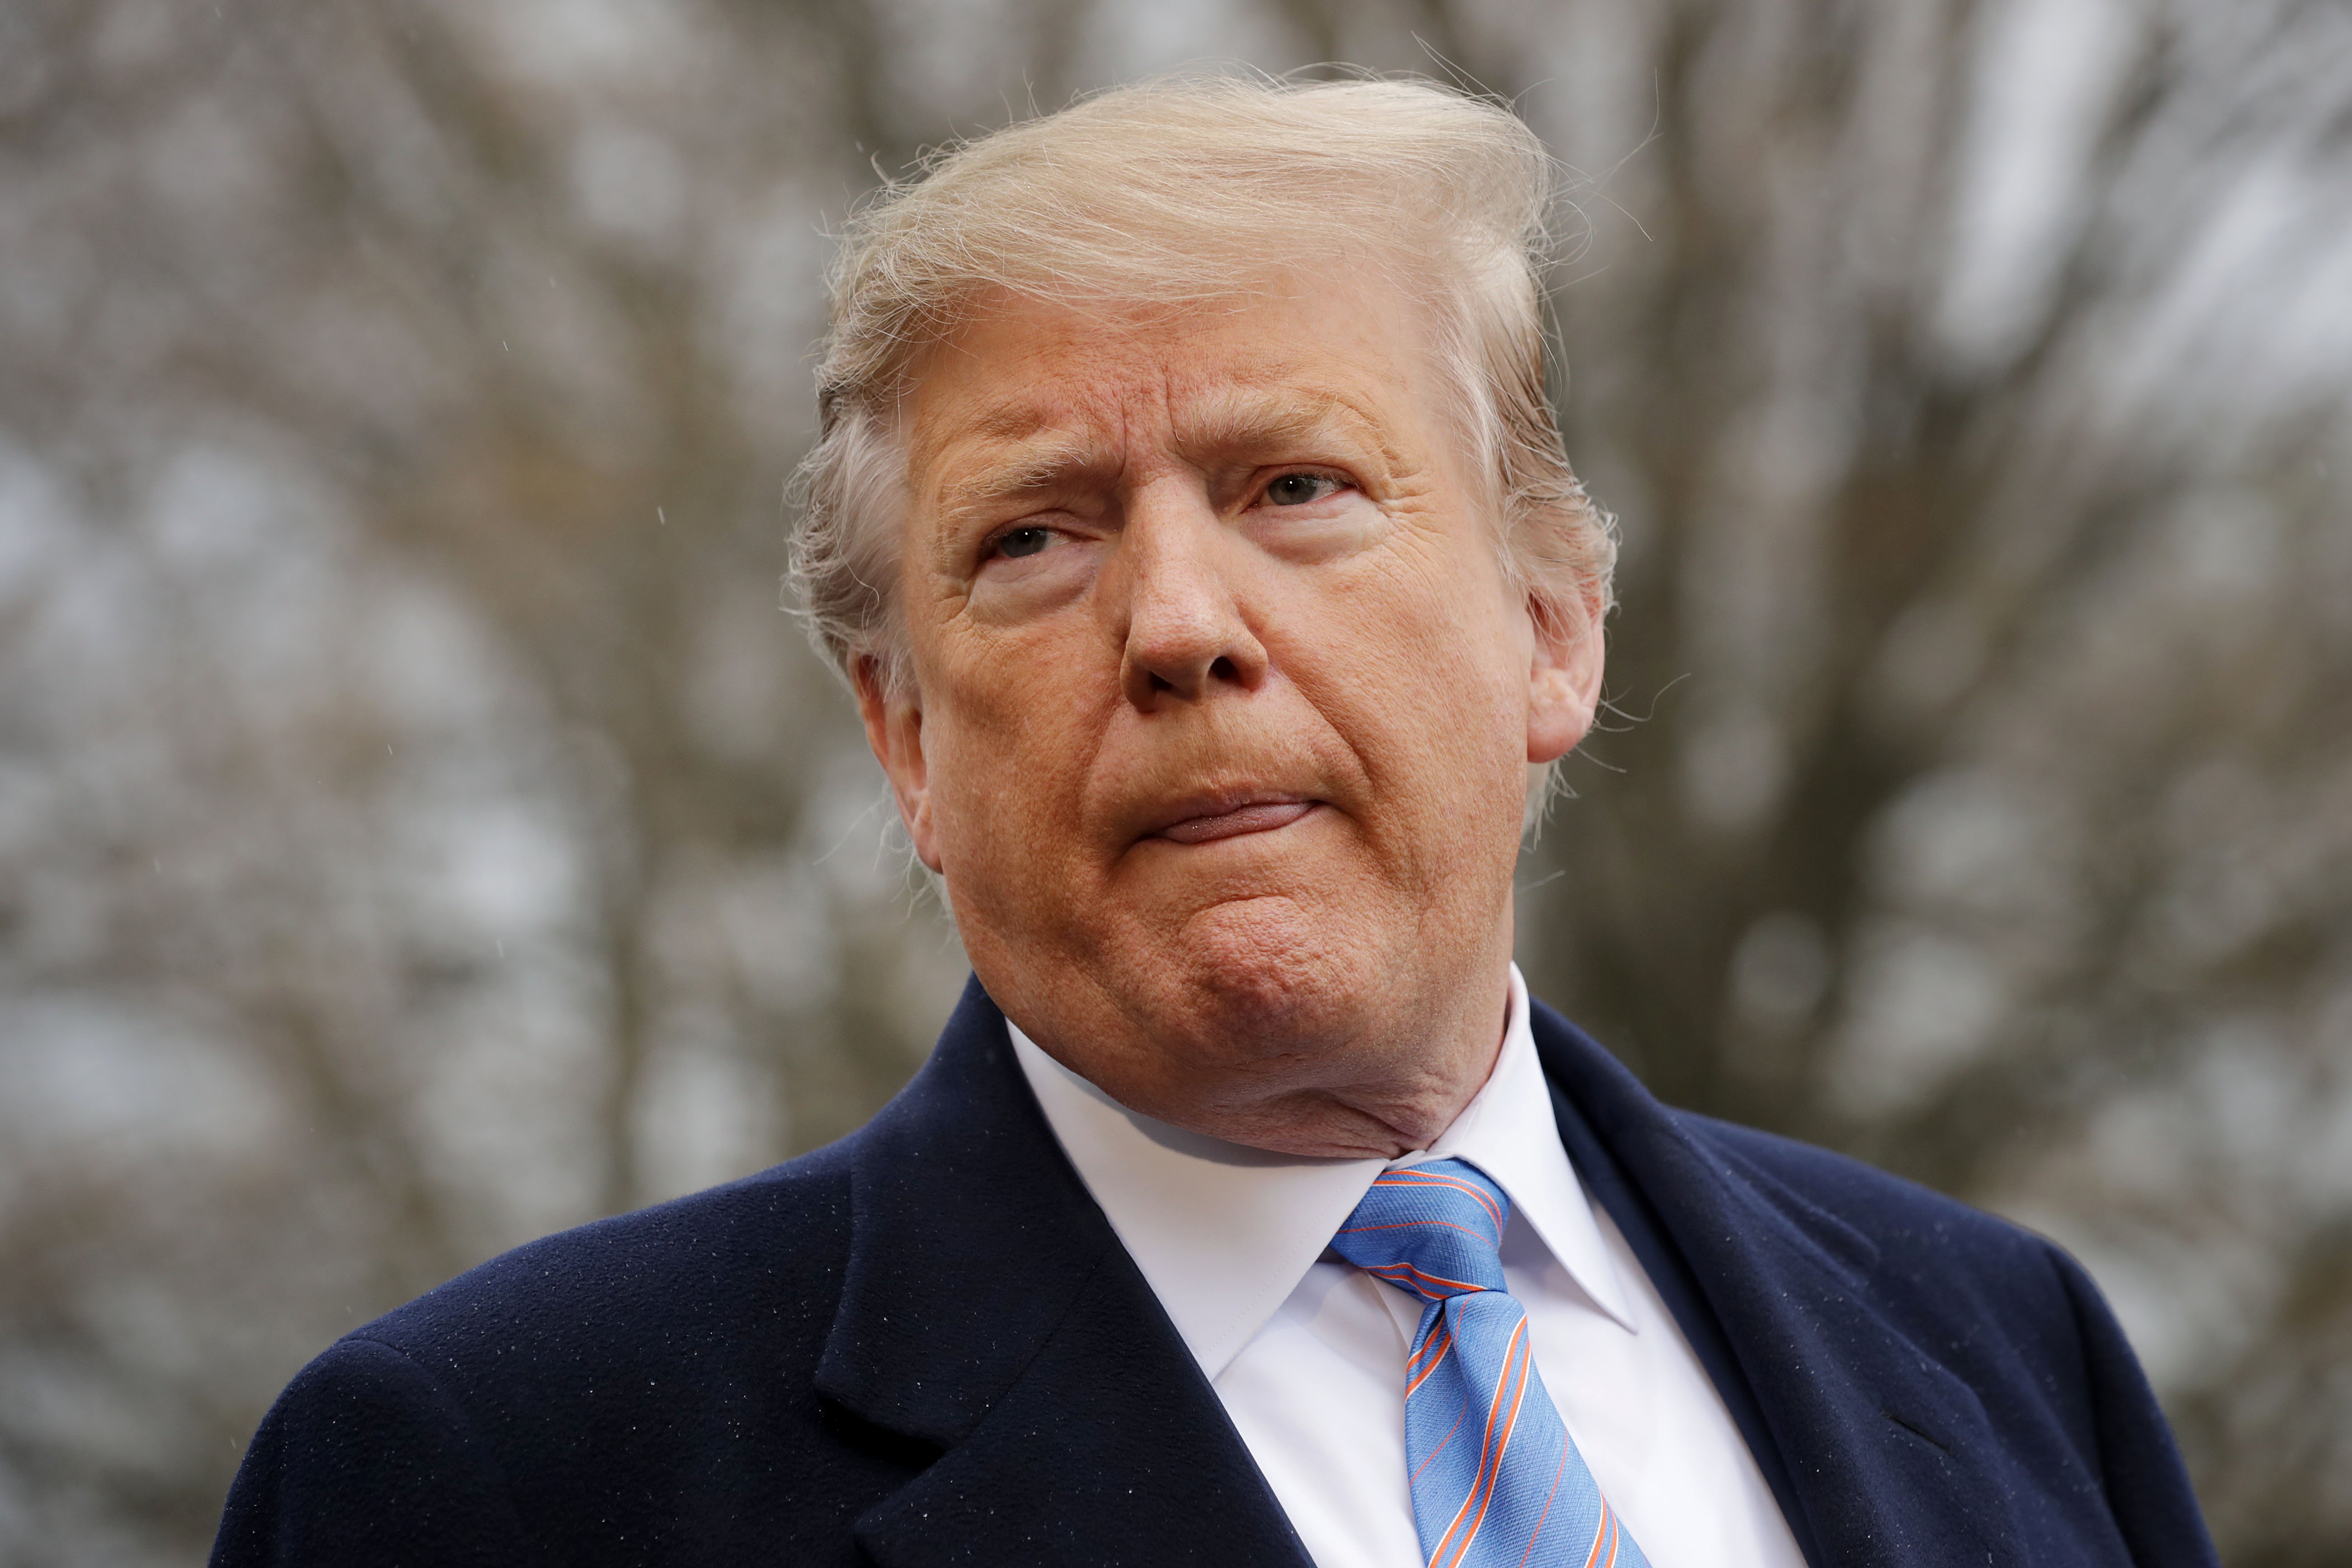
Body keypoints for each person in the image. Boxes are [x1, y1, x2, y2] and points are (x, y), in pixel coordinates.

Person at [209, 76, 2216, 1568]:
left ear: (1546, 627)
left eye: (1293, 490)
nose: (1175, 625)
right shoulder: (495, 1477)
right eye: (1033, 536)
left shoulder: (1999, 1348)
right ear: (901, 737)